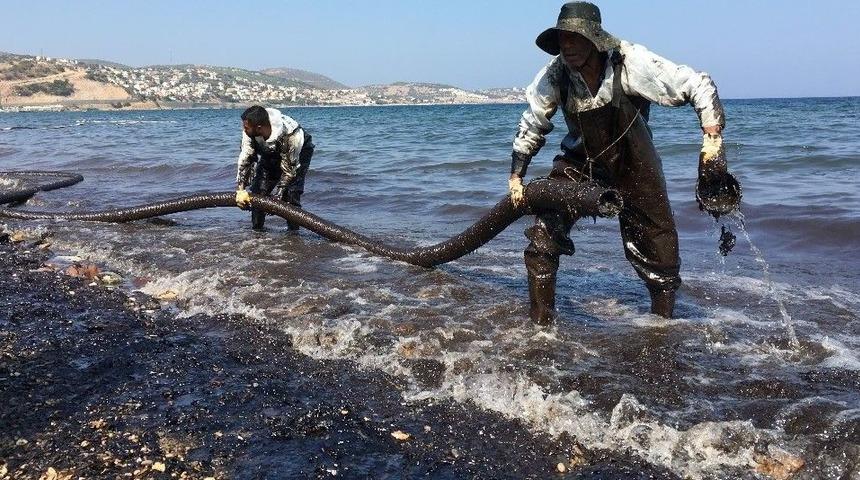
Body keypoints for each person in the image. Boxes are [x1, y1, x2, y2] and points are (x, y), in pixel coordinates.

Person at [508, 2, 729, 323]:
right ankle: (541, 328)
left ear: (594, 39)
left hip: (634, 165)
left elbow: (698, 84)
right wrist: (517, 176)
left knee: (659, 259)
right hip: (579, 163)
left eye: (575, 38)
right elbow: (533, 123)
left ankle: (662, 329)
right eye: (563, 39)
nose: (568, 47)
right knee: (543, 238)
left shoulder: (629, 61)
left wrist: (711, 138)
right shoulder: (555, 74)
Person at [235, 105, 314, 231]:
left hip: (298, 154)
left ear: (259, 128)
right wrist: (241, 189)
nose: (243, 130)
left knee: (291, 195)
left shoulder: (291, 135)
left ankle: (293, 236)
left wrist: (278, 196)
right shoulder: (249, 132)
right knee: (258, 193)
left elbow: (289, 170)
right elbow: (246, 159)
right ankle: (257, 232)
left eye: (246, 127)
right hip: (269, 151)